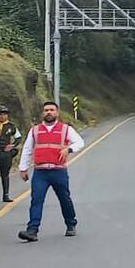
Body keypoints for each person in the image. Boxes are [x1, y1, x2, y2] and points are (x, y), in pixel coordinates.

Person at [18, 102, 84, 242]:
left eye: (52, 110)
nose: (49, 112)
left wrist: (69, 149)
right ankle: (32, 230)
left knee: (64, 198)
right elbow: (27, 149)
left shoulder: (66, 129)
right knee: (36, 200)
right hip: (40, 172)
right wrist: (23, 168)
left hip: (58, 171)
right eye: (46, 110)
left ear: (57, 112)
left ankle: (71, 224)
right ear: (43, 113)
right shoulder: (35, 130)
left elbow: (79, 142)